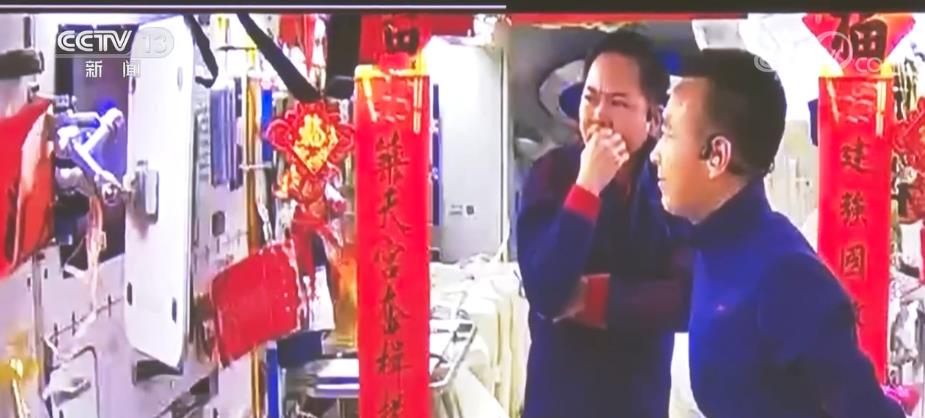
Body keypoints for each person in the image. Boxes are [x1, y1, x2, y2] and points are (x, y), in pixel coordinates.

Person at [649, 48, 905, 418]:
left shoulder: (785, 275)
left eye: (669, 133)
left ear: (717, 156)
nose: (655, 153)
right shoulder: (711, 245)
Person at [517, 29, 691, 418]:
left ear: (652, 119)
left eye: (618, 102)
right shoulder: (551, 173)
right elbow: (546, 291)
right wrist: (588, 186)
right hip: (560, 403)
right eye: (590, 98)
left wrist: (592, 298)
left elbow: (686, 299)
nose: (598, 114)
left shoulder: (669, 185)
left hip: (639, 402)